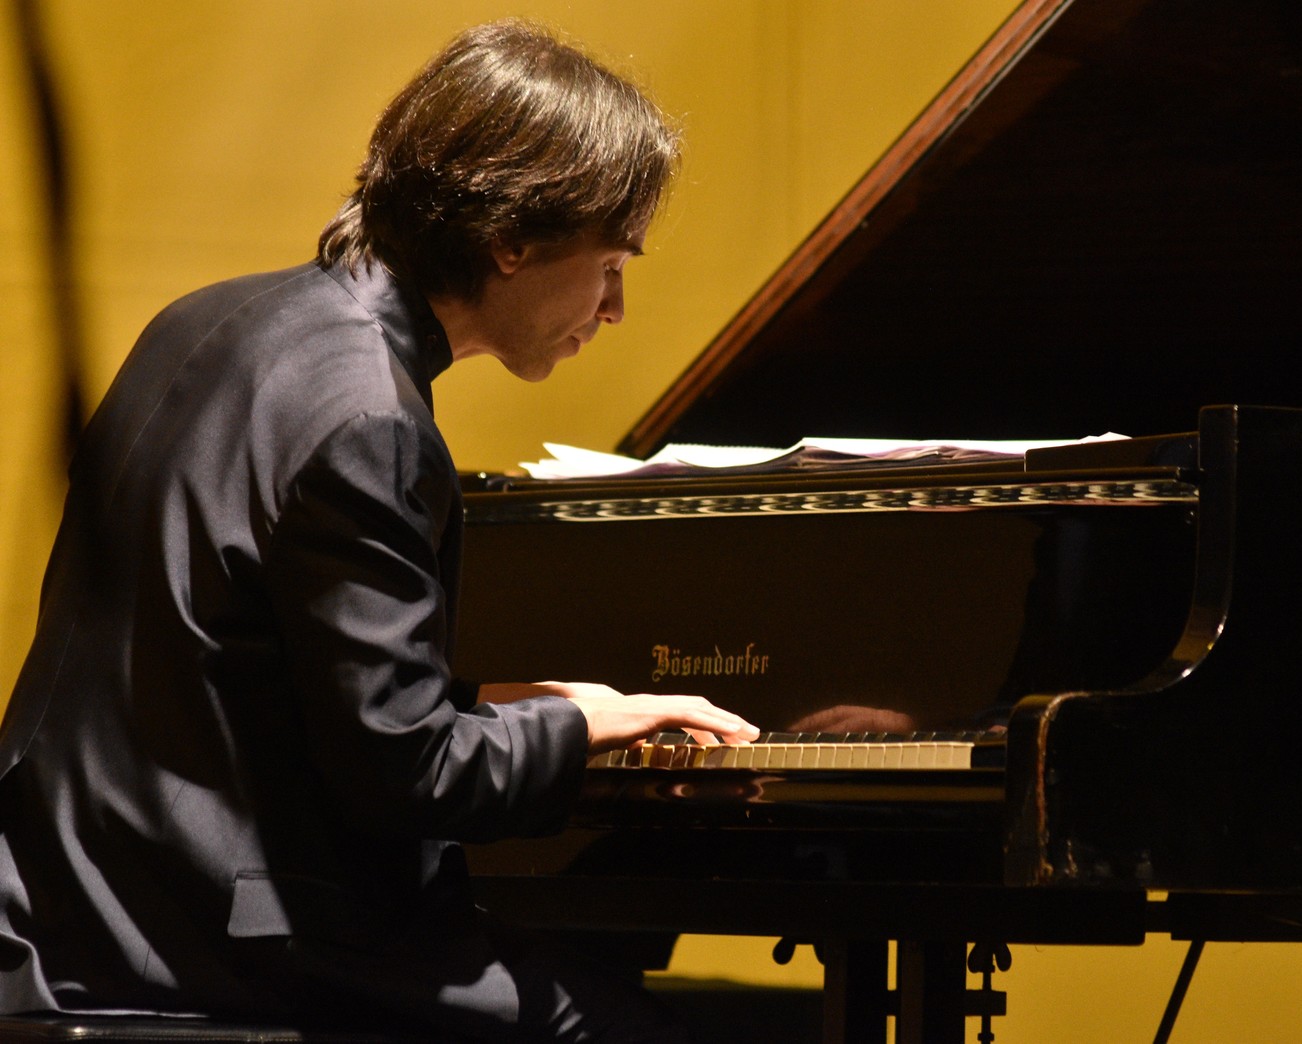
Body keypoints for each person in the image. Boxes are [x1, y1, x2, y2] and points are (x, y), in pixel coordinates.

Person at [0, 20, 756, 1042]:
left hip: (63, 901)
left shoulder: (207, 320)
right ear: (511, 239)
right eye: (609, 263)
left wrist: (496, 702)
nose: (614, 306)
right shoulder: (372, 422)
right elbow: (405, 774)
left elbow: (246, 668)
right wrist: (577, 731)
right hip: (217, 938)